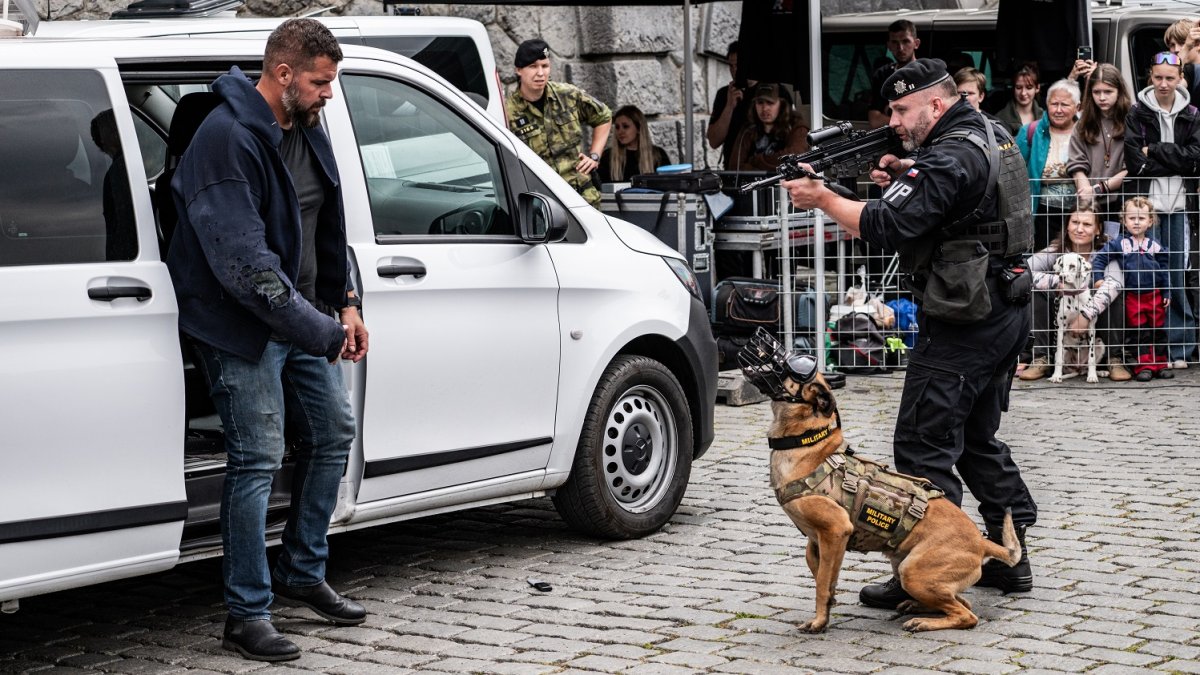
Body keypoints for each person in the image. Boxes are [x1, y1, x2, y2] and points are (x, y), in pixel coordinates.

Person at [781, 58, 1038, 606]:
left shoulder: (950, 153)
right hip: (1001, 305)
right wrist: (904, 176)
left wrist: (823, 199)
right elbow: (963, 204)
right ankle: (1010, 554)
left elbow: (885, 225)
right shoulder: (987, 132)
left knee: (922, 443)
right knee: (974, 439)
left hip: (965, 319)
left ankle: (927, 564)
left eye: (902, 109)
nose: (894, 120)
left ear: (936, 104)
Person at [166, 18, 369, 662]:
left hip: (305, 315)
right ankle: (245, 613)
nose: (327, 94)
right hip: (241, 328)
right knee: (257, 458)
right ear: (283, 75)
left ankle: (303, 571)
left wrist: (347, 302)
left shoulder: (306, 127)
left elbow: (328, 221)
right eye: (319, 82)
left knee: (334, 430)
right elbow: (247, 269)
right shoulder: (225, 139)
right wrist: (322, 331)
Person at [1125, 50, 1200, 369]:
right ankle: (1150, 348)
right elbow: (1134, 162)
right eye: (1158, 78)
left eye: (1170, 78)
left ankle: (1179, 348)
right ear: (1149, 77)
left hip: (1180, 205)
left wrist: (1154, 150)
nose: (1164, 84)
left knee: (1175, 275)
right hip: (1147, 205)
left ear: (1180, 77)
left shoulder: (1192, 114)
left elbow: (1195, 159)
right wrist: (1175, 159)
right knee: (1146, 274)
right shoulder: (1137, 112)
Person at [1019, 206, 1130, 382]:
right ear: (1067, 225)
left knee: (1112, 294)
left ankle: (1113, 358)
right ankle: (1042, 357)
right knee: (1038, 290)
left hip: (1096, 323)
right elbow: (1025, 271)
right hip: (1062, 320)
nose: (1079, 229)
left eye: (1087, 224)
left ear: (1097, 229)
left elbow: (1116, 283)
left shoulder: (1106, 251)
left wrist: (1086, 315)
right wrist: (1056, 283)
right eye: (1075, 222)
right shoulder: (1056, 251)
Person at [1090, 196, 1173, 381]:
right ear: (1124, 220)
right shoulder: (1119, 244)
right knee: (1139, 332)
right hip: (1134, 297)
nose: (1136, 222)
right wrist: (1098, 278)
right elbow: (1100, 258)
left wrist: (1166, 291)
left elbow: (1165, 269)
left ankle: (1160, 364)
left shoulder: (1155, 246)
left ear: (1150, 221)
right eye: (1131, 218)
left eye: (1141, 218)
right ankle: (1143, 366)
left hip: (1154, 295)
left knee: (1158, 330)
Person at [1016, 78, 1082, 251]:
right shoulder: (1031, 132)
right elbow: (1014, 171)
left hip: (1078, 214)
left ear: (1077, 107)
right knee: (1043, 262)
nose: (1058, 110)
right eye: (1054, 104)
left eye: (1065, 105)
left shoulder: (1086, 133)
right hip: (1042, 213)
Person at [1069, 63, 1131, 230]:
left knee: (1117, 252)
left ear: (1119, 91)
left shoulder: (1132, 121)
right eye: (1097, 92)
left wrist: (1097, 189)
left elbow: (1131, 167)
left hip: (1123, 203)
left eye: (1108, 92)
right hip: (1090, 205)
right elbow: (1076, 164)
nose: (1102, 97)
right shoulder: (1082, 123)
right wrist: (1085, 193)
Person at [729, 82, 809, 172]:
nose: (764, 108)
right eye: (760, 103)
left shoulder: (796, 127)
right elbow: (734, 167)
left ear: (782, 105)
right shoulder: (749, 129)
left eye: (770, 103)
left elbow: (795, 157)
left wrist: (756, 161)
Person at [867, 20, 921, 129]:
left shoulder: (927, 73)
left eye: (906, 41)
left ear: (916, 43)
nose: (900, 48)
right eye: (895, 42)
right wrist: (909, 121)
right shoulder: (883, 74)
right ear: (889, 46)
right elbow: (875, 120)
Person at [596, 105, 671, 184]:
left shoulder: (657, 155)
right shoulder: (608, 157)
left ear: (638, 128)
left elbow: (668, 184)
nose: (620, 131)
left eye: (625, 126)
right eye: (617, 127)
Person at [706, 41, 752, 169]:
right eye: (731, 66)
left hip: (761, 169)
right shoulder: (724, 94)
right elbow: (714, 141)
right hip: (733, 170)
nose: (734, 70)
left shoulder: (767, 91)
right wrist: (729, 106)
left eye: (738, 65)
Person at [996, 64, 1044, 137]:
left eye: (1029, 87)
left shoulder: (1046, 118)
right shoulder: (999, 119)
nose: (1023, 93)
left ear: (1037, 88)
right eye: (1018, 87)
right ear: (1013, 88)